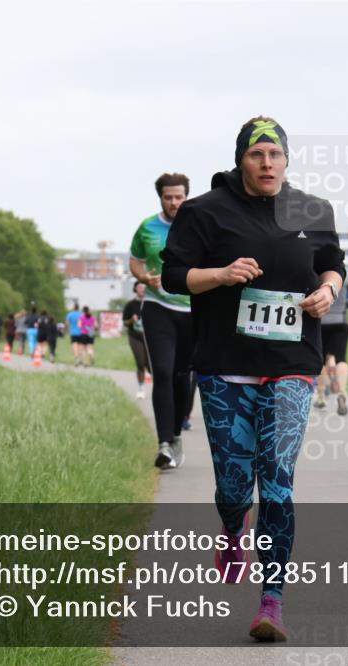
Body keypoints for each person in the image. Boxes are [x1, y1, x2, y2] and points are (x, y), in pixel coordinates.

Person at [161, 116, 344, 643]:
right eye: (256, 155)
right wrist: (220, 275)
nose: (267, 164)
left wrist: (328, 290)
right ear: (241, 159)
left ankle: (272, 601)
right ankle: (232, 525)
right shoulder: (204, 212)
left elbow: (334, 264)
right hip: (224, 366)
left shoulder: (313, 211)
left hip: (292, 365)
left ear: (287, 159)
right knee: (235, 483)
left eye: (276, 155)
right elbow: (176, 276)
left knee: (279, 482)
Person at [129, 172, 194, 470]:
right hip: (158, 307)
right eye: (168, 197)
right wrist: (143, 277)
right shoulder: (147, 227)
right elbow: (135, 259)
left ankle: (177, 434)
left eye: (179, 196)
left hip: (193, 310)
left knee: (183, 375)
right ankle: (164, 444)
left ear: (186, 196)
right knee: (164, 372)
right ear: (161, 198)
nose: (173, 202)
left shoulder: (199, 223)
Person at [315, 277, 348, 415]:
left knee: (319, 360)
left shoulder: (317, 278)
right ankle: (342, 392)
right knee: (341, 358)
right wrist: (344, 306)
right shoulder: (347, 279)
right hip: (340, 322)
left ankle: (321, 397)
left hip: (320, 323)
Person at [122, 283, 151, 399]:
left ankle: (159, 387)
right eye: (139, 287)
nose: (142, 289)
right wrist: (131, 320)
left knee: (151, 364)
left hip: (150, 337)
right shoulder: (130, 305)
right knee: (140, 362)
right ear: (135, 289)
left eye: (144, 287)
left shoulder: (150, 304)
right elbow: (124, 322)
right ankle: (141, 388)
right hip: (135, 336)